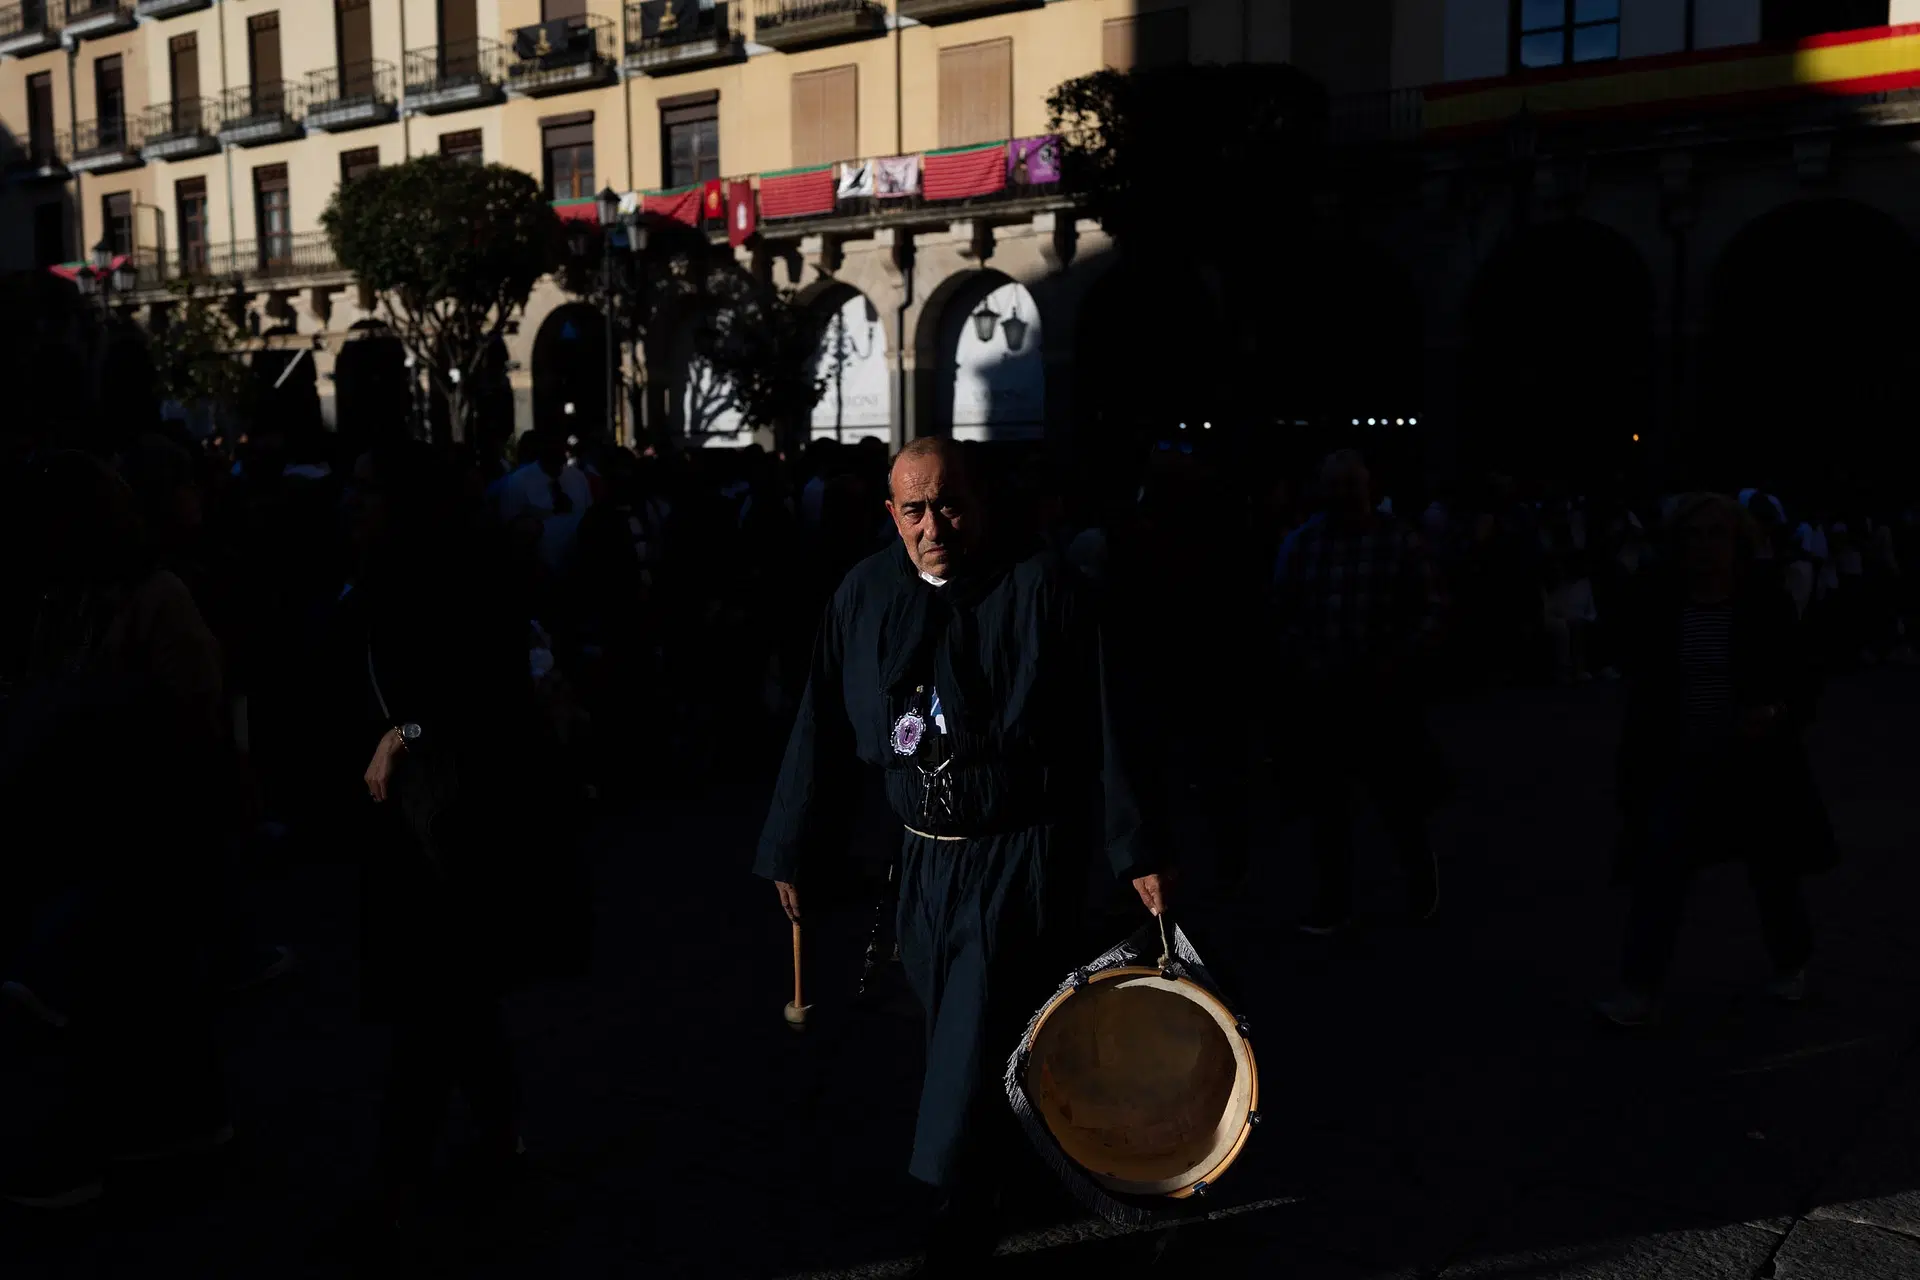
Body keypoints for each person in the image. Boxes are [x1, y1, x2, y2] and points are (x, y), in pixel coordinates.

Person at [754, 437, 1165, 1275]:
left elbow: (1107, 723)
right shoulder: (863, 596)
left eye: (949, 504)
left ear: (980, 503)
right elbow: (821, 727)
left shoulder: (1043, 586)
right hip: (923, 863)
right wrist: (796, 843)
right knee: (956, 1024)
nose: (933, 525)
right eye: (914, 510)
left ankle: (959, 1210)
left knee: (972, 1033)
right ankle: (1026, 1167)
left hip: (1020, 853)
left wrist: (1139, 847)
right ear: (891, 516)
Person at [332, 441, 588, 1241]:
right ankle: (497, 1143)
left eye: (368, 488)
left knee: (432, 1006)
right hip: (425, 822)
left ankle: (395, 1187)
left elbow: (473, 695)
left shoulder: (448, 576)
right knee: (458, 1001)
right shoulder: (389, 574)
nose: (353, 503)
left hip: (457, 828)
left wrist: (400, 732)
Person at [1596, 493, 1837, 1027]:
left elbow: (1802, 674)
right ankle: (1640, 985)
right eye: (1694, 535)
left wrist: (1773, 710)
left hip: (1754, 760)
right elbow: (1641, 676)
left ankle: (1791, 959)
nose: (1705, 547)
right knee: (1659, 871)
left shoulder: (1763, 601)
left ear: (1739, 542)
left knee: (1772, 872)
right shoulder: (1661, 602)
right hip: (1680, 758)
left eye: (1717, 535)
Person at [1275, 450, 1447, 934]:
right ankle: (1336, 902)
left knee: (1397, 799)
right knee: (1329, 807)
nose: (1344, 496)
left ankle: (1417, 887)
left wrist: (1398, 659)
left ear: (1368, 488)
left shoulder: (1397, 541)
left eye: (1351, 486)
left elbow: (1432, 609)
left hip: (1383, 691)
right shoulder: (1303, 544)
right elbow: (1282, 614)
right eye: (1336, 486)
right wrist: (1306, 661)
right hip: (1327, 692)